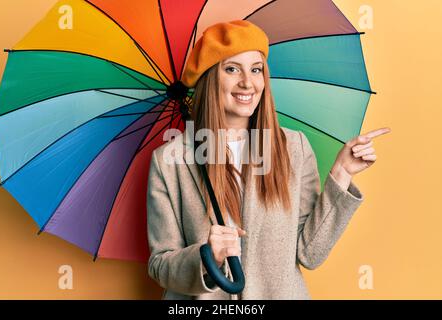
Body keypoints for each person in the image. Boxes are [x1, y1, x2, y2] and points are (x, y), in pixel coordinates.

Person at [146, 20, 390, 300]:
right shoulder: (169, 160)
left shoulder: (294, 148)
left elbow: (309, 252)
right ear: (211, 78)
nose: (247, 82)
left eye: (256, 69)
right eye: (231, 69)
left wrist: (342, 173)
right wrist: (205, 256)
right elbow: (159, 264)